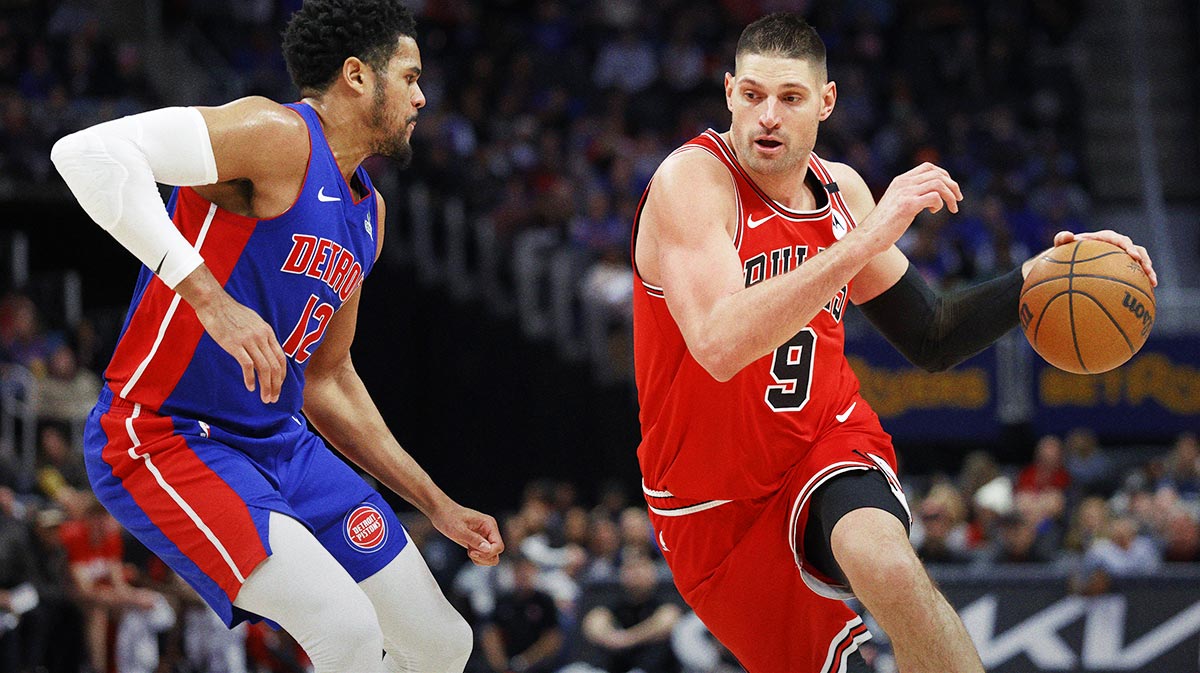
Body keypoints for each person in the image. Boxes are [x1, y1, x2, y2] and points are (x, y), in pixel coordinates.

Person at [630, 12, 1157, 673]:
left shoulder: (842, 191)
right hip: (711, 505)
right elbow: (717, 341)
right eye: (753, 95)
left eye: (790, 98)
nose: (768, 115)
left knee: (890, 566)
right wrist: (865, 241)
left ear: (825, 102)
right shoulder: (692, 184)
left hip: (822, 441)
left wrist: (1042, 277)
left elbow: (931, 332)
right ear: (730, 92)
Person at [49, 2, 502, 671]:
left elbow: (328, 379)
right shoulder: (275, 133)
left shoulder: (368, 215)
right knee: (343, 630)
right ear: (355, 75)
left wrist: (434, 501)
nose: (421, 95)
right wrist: (209, 298)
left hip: (280, 444)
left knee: (441, 643)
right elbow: (84, 153)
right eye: (408, 77)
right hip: (164, 435)